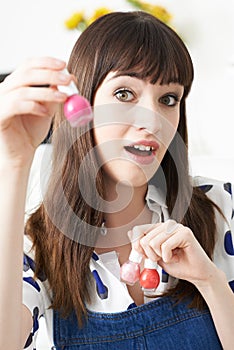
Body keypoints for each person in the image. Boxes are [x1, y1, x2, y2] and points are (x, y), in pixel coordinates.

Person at [0, 11, 233, 350]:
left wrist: (210, 280)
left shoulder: (222, 208)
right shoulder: (34, 250)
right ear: (82, 104)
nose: (152, 121)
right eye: (125, 93)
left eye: (169, 99)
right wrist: (14, 164)